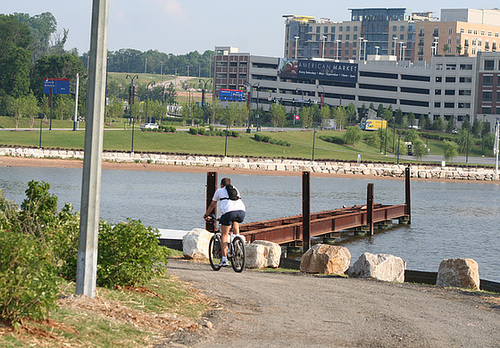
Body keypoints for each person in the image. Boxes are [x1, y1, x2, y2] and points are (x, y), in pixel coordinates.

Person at [204, 177, 246, 267]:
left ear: (222, 185)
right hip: (242, 211)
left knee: (224, 235)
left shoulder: (219, 191)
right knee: (235, 221)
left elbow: (212, 205)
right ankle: (237, 240)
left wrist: (206, 214)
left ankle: (224, 259)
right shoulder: (236, 189)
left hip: (228, 213)